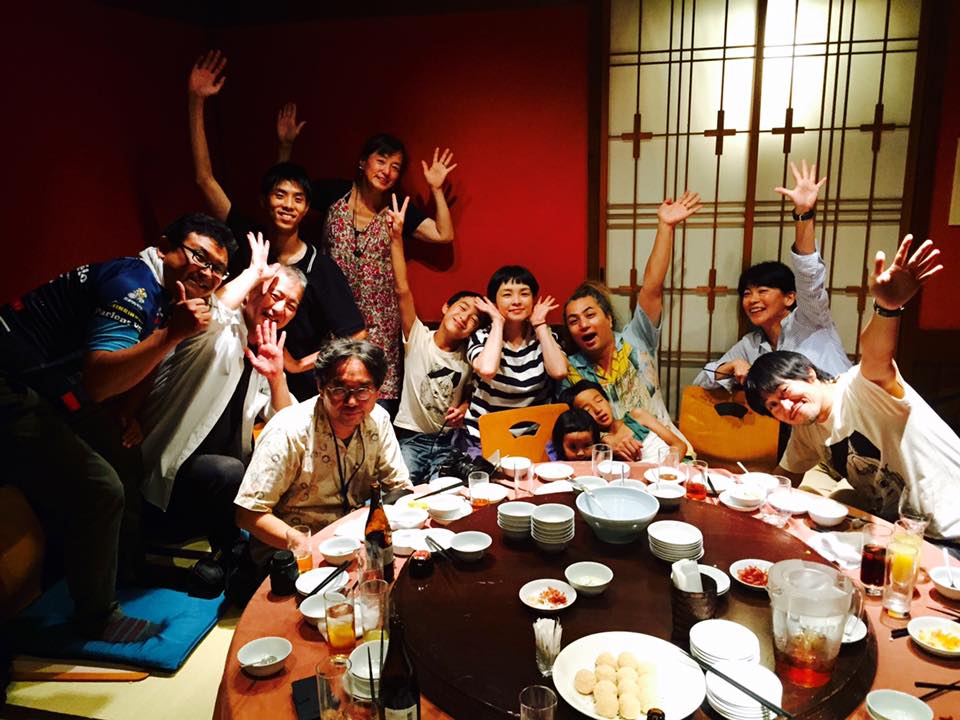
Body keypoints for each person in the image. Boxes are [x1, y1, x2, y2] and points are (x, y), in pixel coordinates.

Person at [0, 213, 235, 641]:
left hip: (55, 387)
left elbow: (136, 363)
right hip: (13, 383)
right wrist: (172, 335)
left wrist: (127, 412)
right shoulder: (133, 285)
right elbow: (98, 380)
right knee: (100, 488)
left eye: (218, 268)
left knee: (124, 454)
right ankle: (96, 617)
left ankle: (126, 570)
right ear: (164, 247)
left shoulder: (168, 293)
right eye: (198, 256)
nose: (207, 272)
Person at [744, 235, 959, 540]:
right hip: (903, 533)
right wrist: (748, 495)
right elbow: (785, 478)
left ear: (809, 374)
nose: (785, 407)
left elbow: (876, 355)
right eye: (773, 406)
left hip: (950, 530)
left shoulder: (860, 388)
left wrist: (886, 308)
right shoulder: (806, 426)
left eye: (785, 393)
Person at [187, 51, 366, 401]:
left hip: (291, 395)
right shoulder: (248, 239)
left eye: (298, 199)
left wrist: (298, 365)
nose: (287, 205)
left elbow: (357, 336)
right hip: (228, 376)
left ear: (307, 209)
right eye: (280, 196)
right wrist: (196, 101)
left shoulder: (319, 267)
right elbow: (204, 179)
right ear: (265, 201)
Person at [138, 233, 305, 591]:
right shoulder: (218, 330)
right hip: (165, 482)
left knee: (272, 459)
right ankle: (233, 556)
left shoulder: (260, 349)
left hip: (212, 490)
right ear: (253, 291)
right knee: (230, 470)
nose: (280, 309)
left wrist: (277, 377)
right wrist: (254, 272)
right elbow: (217, 310)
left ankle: (247, 554)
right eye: (275, 295)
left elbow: (288, 424)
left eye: (291, 305)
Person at [277, 102, 458, 414]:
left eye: (395, 167)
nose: (386, 171)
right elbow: (286, 188)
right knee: (330, 396)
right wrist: (286, 146)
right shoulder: (334, 193)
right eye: (381, 160)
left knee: (375, 402)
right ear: (363, 162)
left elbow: (443, 234)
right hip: (331, 316)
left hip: (380, 322)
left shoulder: (397, 207)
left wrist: (436, 190)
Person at [234, 338, 412, 570]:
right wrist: (306, 544)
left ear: (378, 391)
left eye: (363, 390)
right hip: (292, 552)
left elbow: (399, 487)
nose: (351, 401)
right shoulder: (289, 430)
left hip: (352, 544)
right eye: (339, 389)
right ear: (320, 387)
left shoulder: (378, 420)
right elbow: (248, 513)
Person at [695, 160, 850, 389]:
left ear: (790, 297)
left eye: (763, 291)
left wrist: (803, 214)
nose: (752, 300)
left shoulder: (810, 319)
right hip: (796, 412)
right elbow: (701, 382)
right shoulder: (752, 345)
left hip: (839, 407)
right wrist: (731, 366)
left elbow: (809, 276)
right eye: (747, 293)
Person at [563, 192, 700, 451]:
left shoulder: (637, 338)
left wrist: (665, 227)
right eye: (574, 321)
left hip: (667, 447)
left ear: (609, 318)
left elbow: (652, 287)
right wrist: (607, 441)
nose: (583, 324)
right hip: (612, 457)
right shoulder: (570, 370)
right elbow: (570, 426)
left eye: (590, 315)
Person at [387, 195, 482, 483]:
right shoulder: (418, 336)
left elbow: (472, 394)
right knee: (402, 487)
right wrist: (396, 238)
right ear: (445, 307)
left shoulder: (470, 357)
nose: (465, 317)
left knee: (448, 490)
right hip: (411, 437)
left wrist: (463, 409)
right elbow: (402, 289)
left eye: (474, 319)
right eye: (462, 308)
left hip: (448, 441)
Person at [462, 265, 568, 448]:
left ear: (534, 300)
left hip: (538, 437)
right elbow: (487, 370)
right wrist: (497, 321)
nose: (517, 301)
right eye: (507, 294)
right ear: (494, 302)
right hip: (486, 437)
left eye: (524, 294)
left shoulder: (544, 336)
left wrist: (540, 324)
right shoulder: (482, 337)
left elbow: (559, 371)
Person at [561, 380, 686, 462]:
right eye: (587, 409)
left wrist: (666, 470)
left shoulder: (637, 416)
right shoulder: (593, 443)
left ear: (607, 401)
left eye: (599, 401)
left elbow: (679, 445)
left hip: (668, 473)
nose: (598, 409)